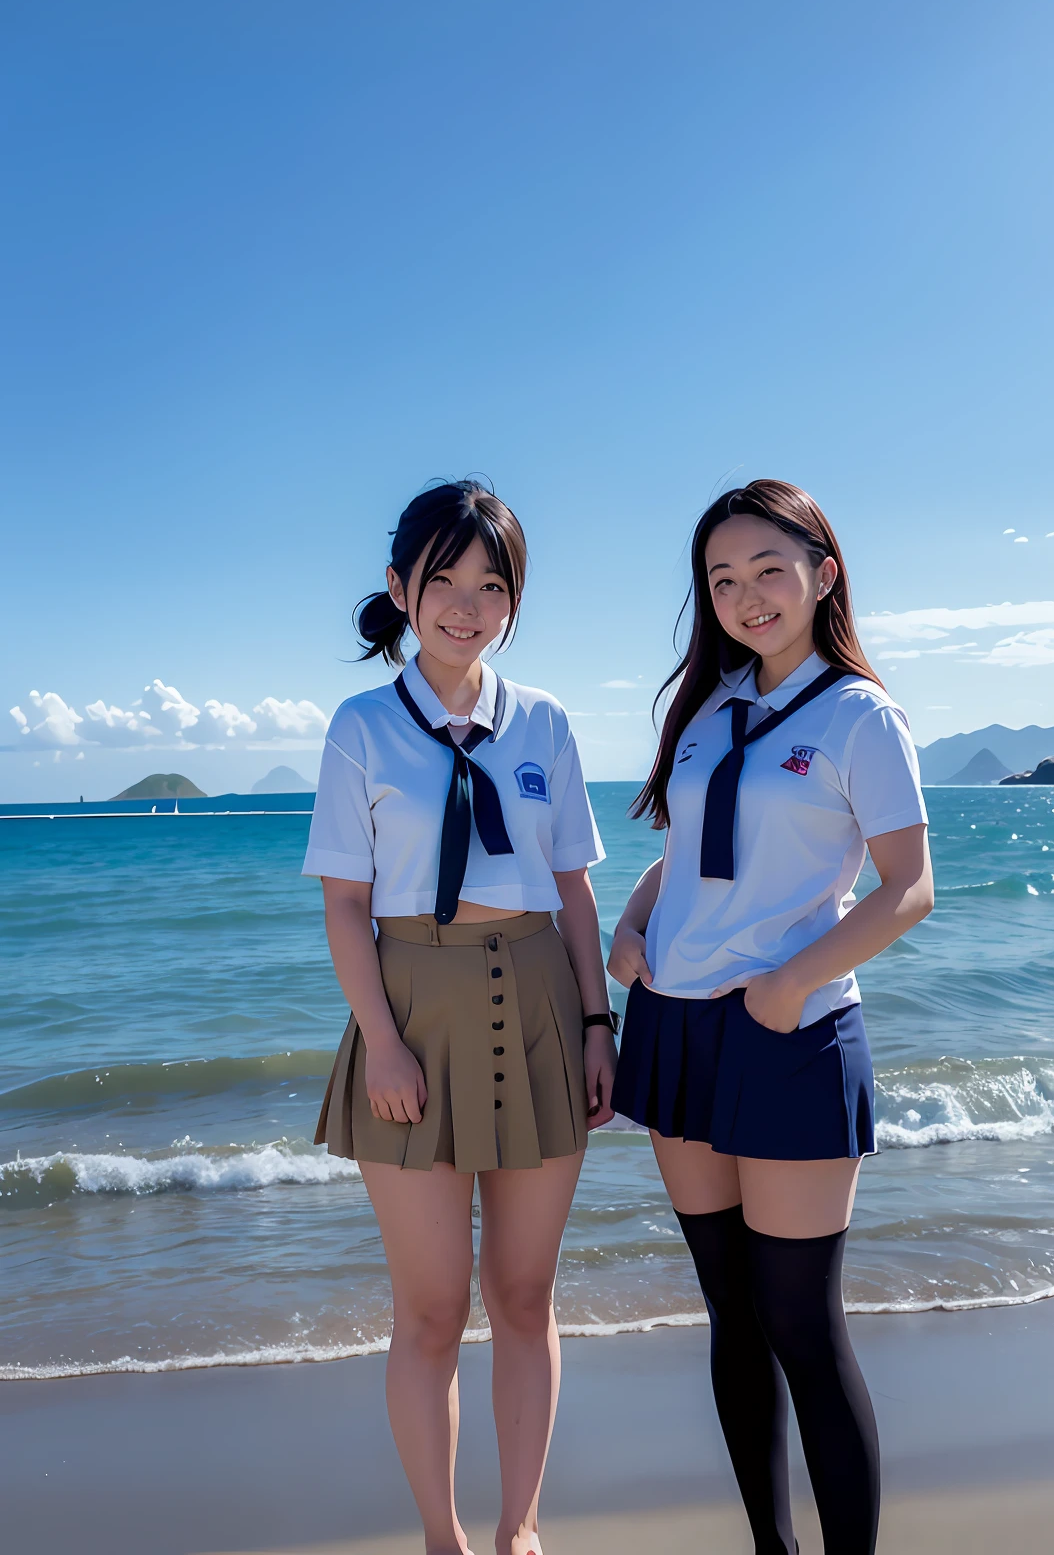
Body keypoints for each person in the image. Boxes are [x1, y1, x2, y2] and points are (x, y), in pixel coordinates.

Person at [609, 480, 932, 1555]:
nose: (746, 595)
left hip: (788, 1034)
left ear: (822, 572)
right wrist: (633, 920)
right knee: (731, 1315)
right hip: (677, 1024)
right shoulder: (711, 706)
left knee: (801, 1322)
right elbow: (687, 846)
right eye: (722, 578)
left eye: (767, 569)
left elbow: (908, 885)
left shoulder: (859, 713)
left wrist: (791, 985)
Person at [304, 480, 616, 1555]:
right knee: (432, 1308)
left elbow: (573, 890)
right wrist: (381, 1040)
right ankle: (444, 1537)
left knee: (524, 1293)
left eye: (493, 585)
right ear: (402, 590)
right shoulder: (360, 728)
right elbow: (346, 905)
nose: (469, 605)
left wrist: (595, 1022)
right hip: (412, 1011)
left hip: (536, 999)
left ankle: (519, 1527)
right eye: (445, 581)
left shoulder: (546, 722)